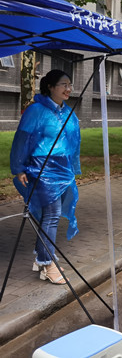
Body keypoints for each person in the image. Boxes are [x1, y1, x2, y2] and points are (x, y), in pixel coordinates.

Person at [10, 69, 81, 285]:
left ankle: (41, 258)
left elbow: (72, 141)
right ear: (50, 87)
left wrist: (72, 168)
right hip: (43, 168)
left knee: (49, 216)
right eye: (63, 84)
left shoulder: (67, 112)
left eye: (70, 84)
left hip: (62, 169)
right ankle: (47, 264)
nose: (68, 88)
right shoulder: (36, 110)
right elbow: (22, 139)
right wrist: (19, 168)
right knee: (52, 214)